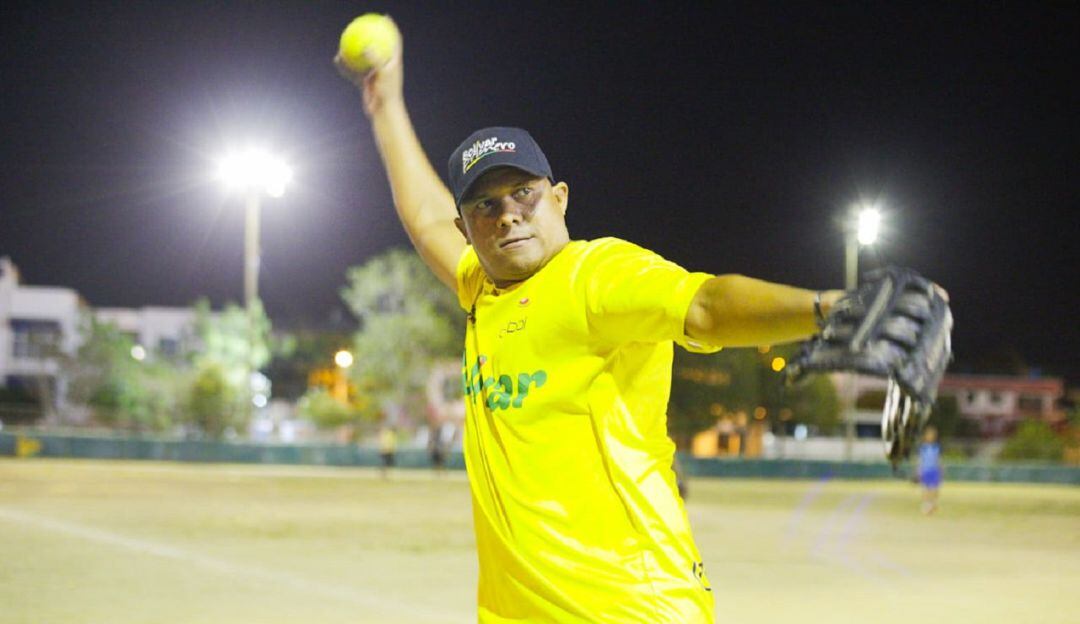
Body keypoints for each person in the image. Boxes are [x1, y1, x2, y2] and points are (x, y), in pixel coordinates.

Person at [336, 22, 844, 624]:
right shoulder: (481, 287)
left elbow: (707, 306)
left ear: (560, 198)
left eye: (524, 194)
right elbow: (424, 215)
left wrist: (827, 309)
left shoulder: (595, 274)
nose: (507, 216)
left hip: (628, 607)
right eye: (485, 206)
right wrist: (386, 104)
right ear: (465, 229)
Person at [917, 425, 942, 515]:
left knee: (934, 489)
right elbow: (920, 460)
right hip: (925, 470)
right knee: (925, 489)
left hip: (934, 470)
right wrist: (919, 470)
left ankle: (933, 504)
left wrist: (940, 469)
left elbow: (938, 459)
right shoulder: (923, 448)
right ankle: (926, 505)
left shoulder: (936, 447)